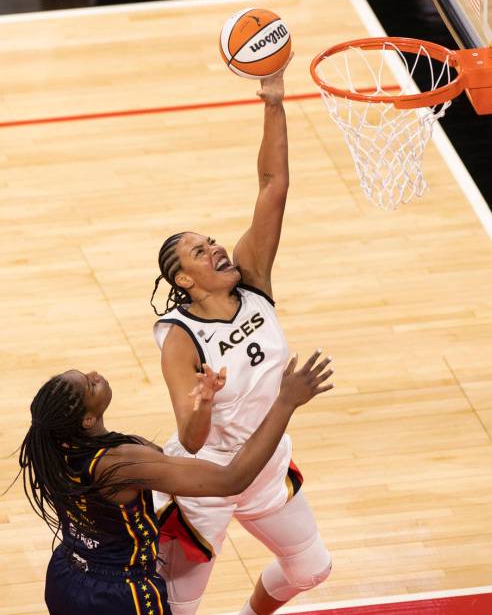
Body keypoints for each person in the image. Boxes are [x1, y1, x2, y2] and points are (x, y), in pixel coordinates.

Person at [150, 55, 333, 615]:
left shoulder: (253, 282)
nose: (217, 249)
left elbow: (273, 184)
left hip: (266, 466)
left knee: (312, 568)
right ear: (184, 279)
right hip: (206, 481)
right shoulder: (181, 338)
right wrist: (203, 401)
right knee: (178, 608)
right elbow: (194, 438)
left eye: (212, 240)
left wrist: (274, 102)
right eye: (200, 252)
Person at [16, 353, 333, 615]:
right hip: (119, 594)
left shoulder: (50, 450)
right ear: (86, 420)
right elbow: (233, 479)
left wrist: (204, 405)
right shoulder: (121, 463)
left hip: (66, 576)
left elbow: (164, 459)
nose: (95, 374)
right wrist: (286, 402)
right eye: (88, 383)